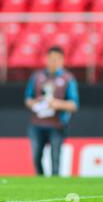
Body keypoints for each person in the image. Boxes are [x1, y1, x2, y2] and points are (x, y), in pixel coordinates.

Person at [24, 46, 79, 176]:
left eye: (56, 59)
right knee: (36, 156)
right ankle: (40, 181)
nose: (53, 62)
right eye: (51, 58)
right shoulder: (37, 77)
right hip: (37, 123)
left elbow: (74, 104)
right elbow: (28, 99)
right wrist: (36, 104)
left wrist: (57, 104)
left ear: (62, 60)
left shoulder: (67, 79)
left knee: (55, 157)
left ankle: (55, 183)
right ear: (46, 59)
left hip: (57, 124)